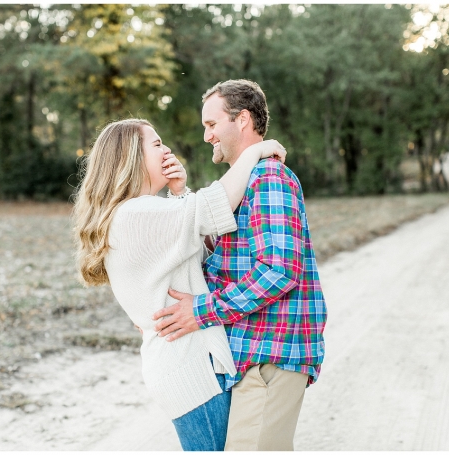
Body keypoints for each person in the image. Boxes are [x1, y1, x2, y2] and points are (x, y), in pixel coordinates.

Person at [72, 118, 286, 451]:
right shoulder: (136, 214)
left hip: (183, 365)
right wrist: (255, 151)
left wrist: (179, 192)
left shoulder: (138, 214)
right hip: (190, 367)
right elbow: (214, 207)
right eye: (156, 144)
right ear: (131, 157)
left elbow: (194, 251)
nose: (167, 149)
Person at [152, 79, 328, 451]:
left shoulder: (268, 178)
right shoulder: (248, 180)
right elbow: (224, 256)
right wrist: (181, 195)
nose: (206, 136)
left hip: (273, 352)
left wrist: (200, 311)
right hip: (256, 352)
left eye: (211, 124)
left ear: (242, 119)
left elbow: (279, 270)